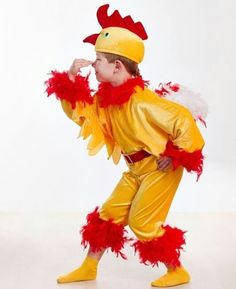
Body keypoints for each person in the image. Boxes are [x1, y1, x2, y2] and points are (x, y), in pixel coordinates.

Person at [45, 4, 206, 287]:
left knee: (142, 223)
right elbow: (81, 113)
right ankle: (89, 268)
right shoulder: (107, 101)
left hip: (159, 168)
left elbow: (183, 122)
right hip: (135, 170)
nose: (93, 64)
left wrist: (177, 155)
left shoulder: (145, 102)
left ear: (117, 66)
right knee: (108, 215)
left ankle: (176, 271)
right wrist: (70, 80)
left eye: (98, 59)